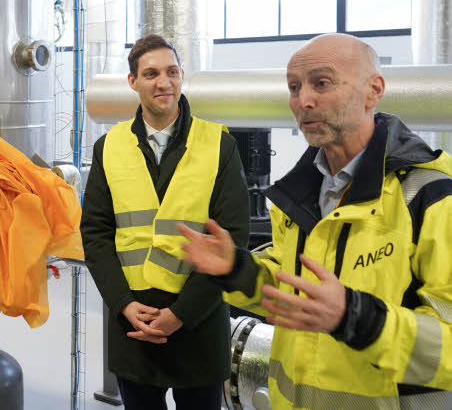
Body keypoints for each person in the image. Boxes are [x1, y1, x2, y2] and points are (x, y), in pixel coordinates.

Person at [179, 33, 452, 409]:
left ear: (374, 90)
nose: (303, 100)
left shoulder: (432, 197)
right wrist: (237, 270)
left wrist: (356, 318)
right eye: (294, 87)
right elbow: (295, 293)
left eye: (321, 83)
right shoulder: (303, 192)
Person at [80, 34, 250, 410]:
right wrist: (123, 303)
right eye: (151, 73)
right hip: (134, 324)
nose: (164, 82)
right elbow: (95, 234)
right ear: (133, 82)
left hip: (198, 321)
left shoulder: (219, 144)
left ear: (181, 76)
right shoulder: (108, 147)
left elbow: (234, 240)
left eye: (172, 72)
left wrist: (181, 314)